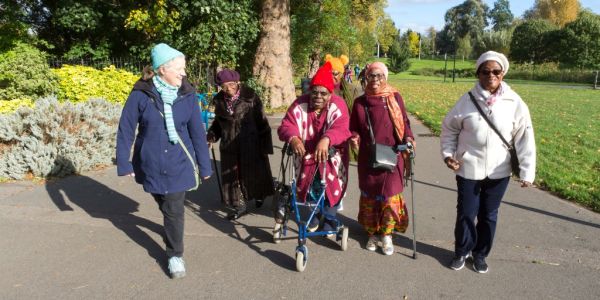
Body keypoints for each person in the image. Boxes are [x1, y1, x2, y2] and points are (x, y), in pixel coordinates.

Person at [116, 43, 212, 279]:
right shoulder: (141, 94)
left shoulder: (188, 95)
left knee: (174, 208)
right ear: (161, 70)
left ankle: (175, 254)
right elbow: (126, 128)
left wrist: (205, 164)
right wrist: (124, 162)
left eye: (184, 68)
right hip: (151, 160)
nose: (184, 73)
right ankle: (171, 226)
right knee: (163, 201)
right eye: (179, 68)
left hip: (179, 161)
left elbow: (197, 133)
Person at [441, 51, 536, 274]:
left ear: (502, 74)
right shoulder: (466, 101)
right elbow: (449, 129)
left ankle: (480, 254)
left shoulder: (515, 102)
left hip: (499, 170)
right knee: (466, 212)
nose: (491, 75)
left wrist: (527, 171)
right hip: (468, 167)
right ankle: (462, 251)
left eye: (496, 71)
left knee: (489, 214)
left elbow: (525, 137)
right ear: (478, 73)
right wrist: (448, 154)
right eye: (485, 71)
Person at [276, 61, 351, 234]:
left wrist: (327, 139)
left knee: (332, 187)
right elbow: (287, 125)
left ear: (330, 93)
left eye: (323, 93)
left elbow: (341, 127)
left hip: (332, 157)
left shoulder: (338, 104)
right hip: (305, 156)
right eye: (314, 92)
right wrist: (293, 138)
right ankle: (315, 214)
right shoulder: (299, 104)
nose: (318, 96)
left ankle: (330, 217)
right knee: (308, 186)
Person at [349, 62, 415, 256]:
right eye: (371, 76)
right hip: (369, 157)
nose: (375, 79)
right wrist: (354, 137)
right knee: (370, 195)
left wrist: (409, 138)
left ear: (385, 77)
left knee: (390, 196)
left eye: (379, 76)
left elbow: (404, 121)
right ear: (366, 78)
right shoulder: (360, 103)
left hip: (393, 155)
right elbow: (353, 128)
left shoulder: (395, 98)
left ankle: (386, 234)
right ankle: (372, 233)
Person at [207, 69, 274, 220]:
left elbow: (262, 122)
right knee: (233, 176)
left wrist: (265, 146)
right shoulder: (219, 101)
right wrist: (210, 137)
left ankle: (259, 195)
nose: (229, 89)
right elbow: (218, 125)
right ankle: (239, 205)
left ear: (237, 82)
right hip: (229, 145)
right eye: (224, 86)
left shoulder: (250, 97)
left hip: (251, 142)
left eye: (231, 85)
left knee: (255, 173)